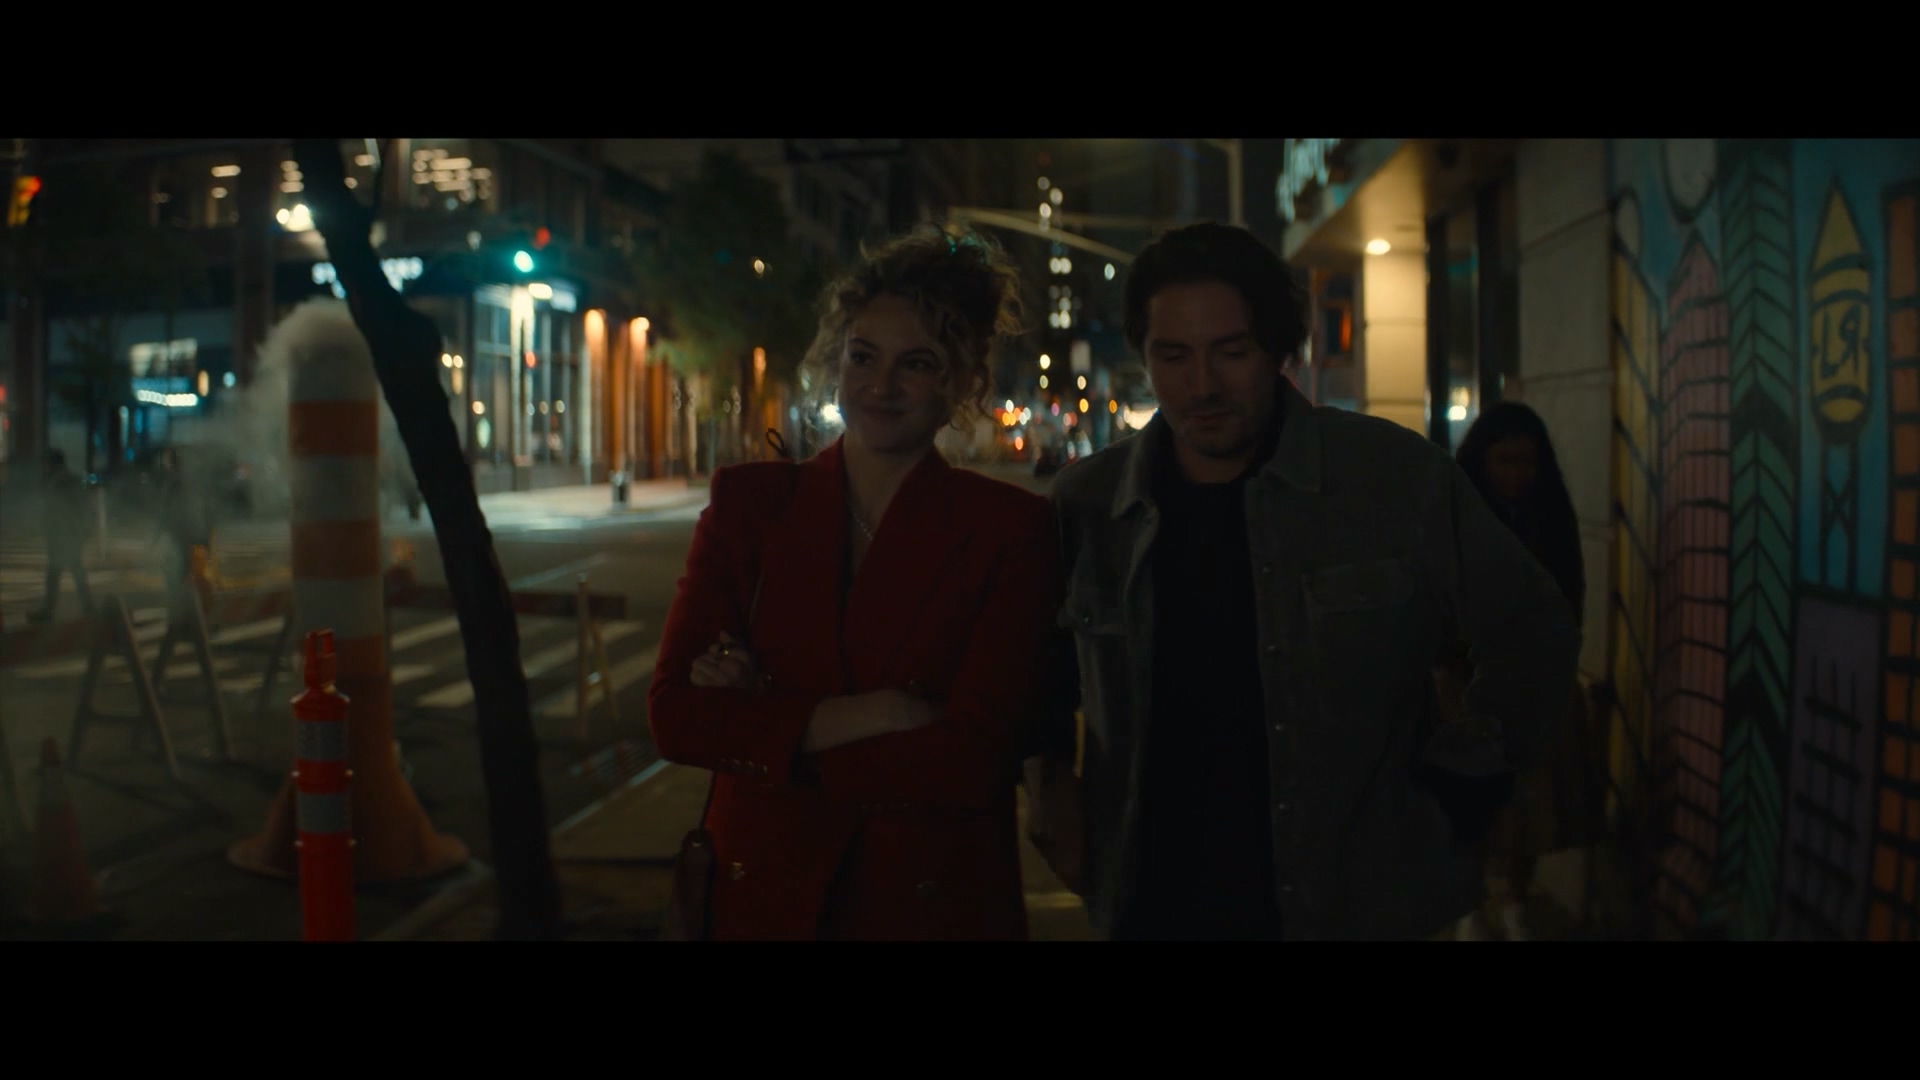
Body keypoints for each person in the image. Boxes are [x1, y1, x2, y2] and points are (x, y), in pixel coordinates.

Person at [1023, 223, 1581, 941]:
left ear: (1279, 350)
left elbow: (1532, 625)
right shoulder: (1090, 504)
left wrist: (1467, 783)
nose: (1202, 385)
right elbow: (1037, 673)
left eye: (1232, 352)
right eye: (1173, 355)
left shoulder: (1389, 479)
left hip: (1352, 903)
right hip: (1152, 898)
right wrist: (1048, 786)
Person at [647, 226, 1059, 941]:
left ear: (963, 381)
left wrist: (764, 724)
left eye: (917, 364)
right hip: (761, 901)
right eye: (862, 356)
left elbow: (973, 758)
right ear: (836, 358)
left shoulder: (1008, 529)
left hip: (924, 905)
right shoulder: (751, 505)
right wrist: (882, 712)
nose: (880, 386)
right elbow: (675, 715)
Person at [1443, 402, 1598, 941]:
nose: (1516, 474)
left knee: (1532, 804)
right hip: (1466, 682)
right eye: (1504, 460)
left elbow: (1570, 592)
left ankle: (1513, 900)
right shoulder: (1456, 517)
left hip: (1536, 682)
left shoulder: (1548, 518)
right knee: (1473, 802)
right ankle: (1473, 904)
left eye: (1526, 462)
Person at [29, 450, 93, 623]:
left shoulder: (64, 482)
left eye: (46, 463)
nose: (43, 467)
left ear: (53, 464)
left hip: (66, 534)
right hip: (62, 534)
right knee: (70, 572)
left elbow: (76, 508)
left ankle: (50, 612)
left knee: (59, 573)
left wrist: (80, 531)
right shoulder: (58, 480)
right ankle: (87, 607)